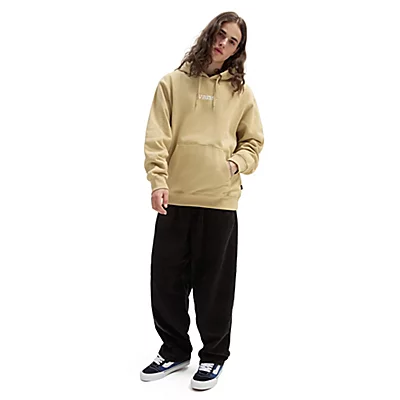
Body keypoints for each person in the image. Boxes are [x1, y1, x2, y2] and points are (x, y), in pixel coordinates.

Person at [140, 11, 264, 391]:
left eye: (233, 41)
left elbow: (253, 142)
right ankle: (174, 350)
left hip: (220, 200)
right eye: (221, 34)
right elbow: (157, 137)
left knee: (215, 285)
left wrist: (234, 164)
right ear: (209, 33)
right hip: (176, 196)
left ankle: (213, 355)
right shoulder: (171, 84)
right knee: (166, 280)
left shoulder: (241, 93)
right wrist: (158, 181)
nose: (223, 44)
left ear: (238, 50)